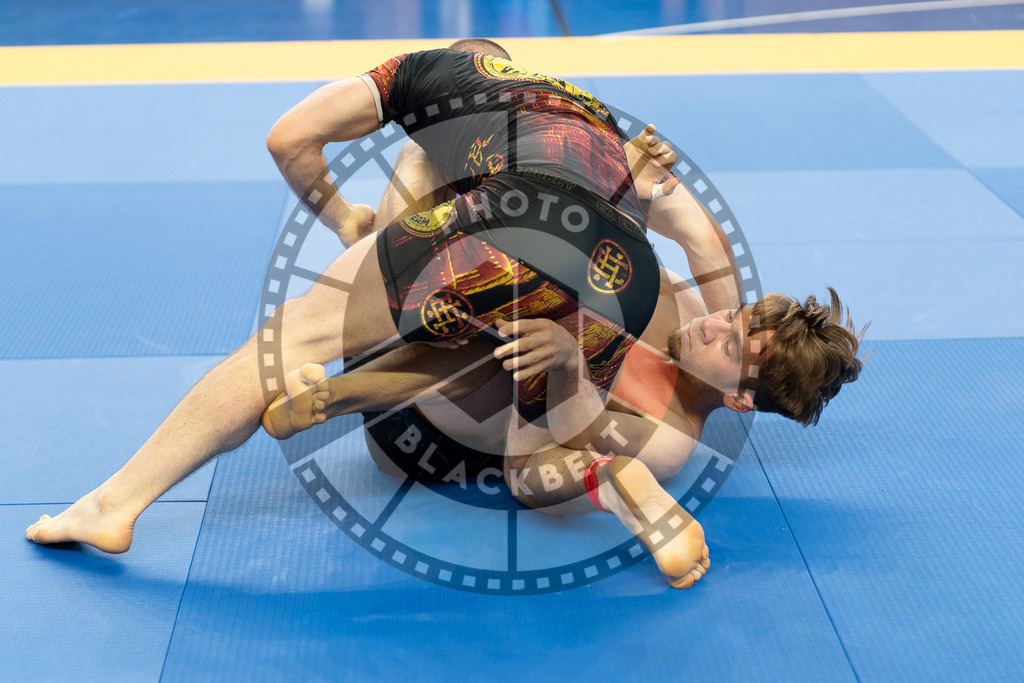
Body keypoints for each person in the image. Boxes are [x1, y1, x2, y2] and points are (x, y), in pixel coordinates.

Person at [26, 40, 864, 591]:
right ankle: (375, 377)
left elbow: (289, 139)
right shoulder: (606, 147)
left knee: (299, 338)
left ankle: (117, 501)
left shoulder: (422, 80)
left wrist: (344, 224)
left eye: (732, 344)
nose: (719, 327)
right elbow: (697, 234)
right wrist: (701, 292)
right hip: (590, 277)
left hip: (510, 331)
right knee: (507, 325)